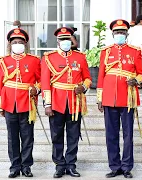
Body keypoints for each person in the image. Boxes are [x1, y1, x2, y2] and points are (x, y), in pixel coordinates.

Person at [97, 19, 142, 179]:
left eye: (123, 32)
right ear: (112, 34)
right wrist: (100, 98)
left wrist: (136, 80)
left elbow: (141, 73)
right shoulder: (106, 51)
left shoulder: (135, 51)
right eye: (117, 32)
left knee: (127, 135)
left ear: (127, 34)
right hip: (109, 98)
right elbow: (101, 76)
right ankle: (114, 166)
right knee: (111, 134)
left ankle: (126, 167)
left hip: (127, 98)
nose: (120, 35)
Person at [41, 27, 92, 178]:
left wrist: (83, 87)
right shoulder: (48, 58)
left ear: (71, 40)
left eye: (67, 39)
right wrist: (47, 104)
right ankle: (59, 165)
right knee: (56, 135)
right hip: (56, 101)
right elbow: (45, 83)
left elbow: (88, 78)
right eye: (62, 39)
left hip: (75, 102)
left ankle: (71, 164)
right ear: (57, 41)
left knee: (73, 135)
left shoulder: (80, 57)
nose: (65, 42)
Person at [0, 28, 41, 178]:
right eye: (14, 42)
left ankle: (26, 166)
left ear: (25, 44)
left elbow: (41, 81)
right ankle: (14, 167)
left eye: (20, 42)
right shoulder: (3, 61)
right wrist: (0, 104)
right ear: (10, 44)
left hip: (27, 103)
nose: (17, 44)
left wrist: (36, 89)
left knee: (28, 137)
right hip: (9, 104)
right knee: (12, 137)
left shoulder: (34, 60)